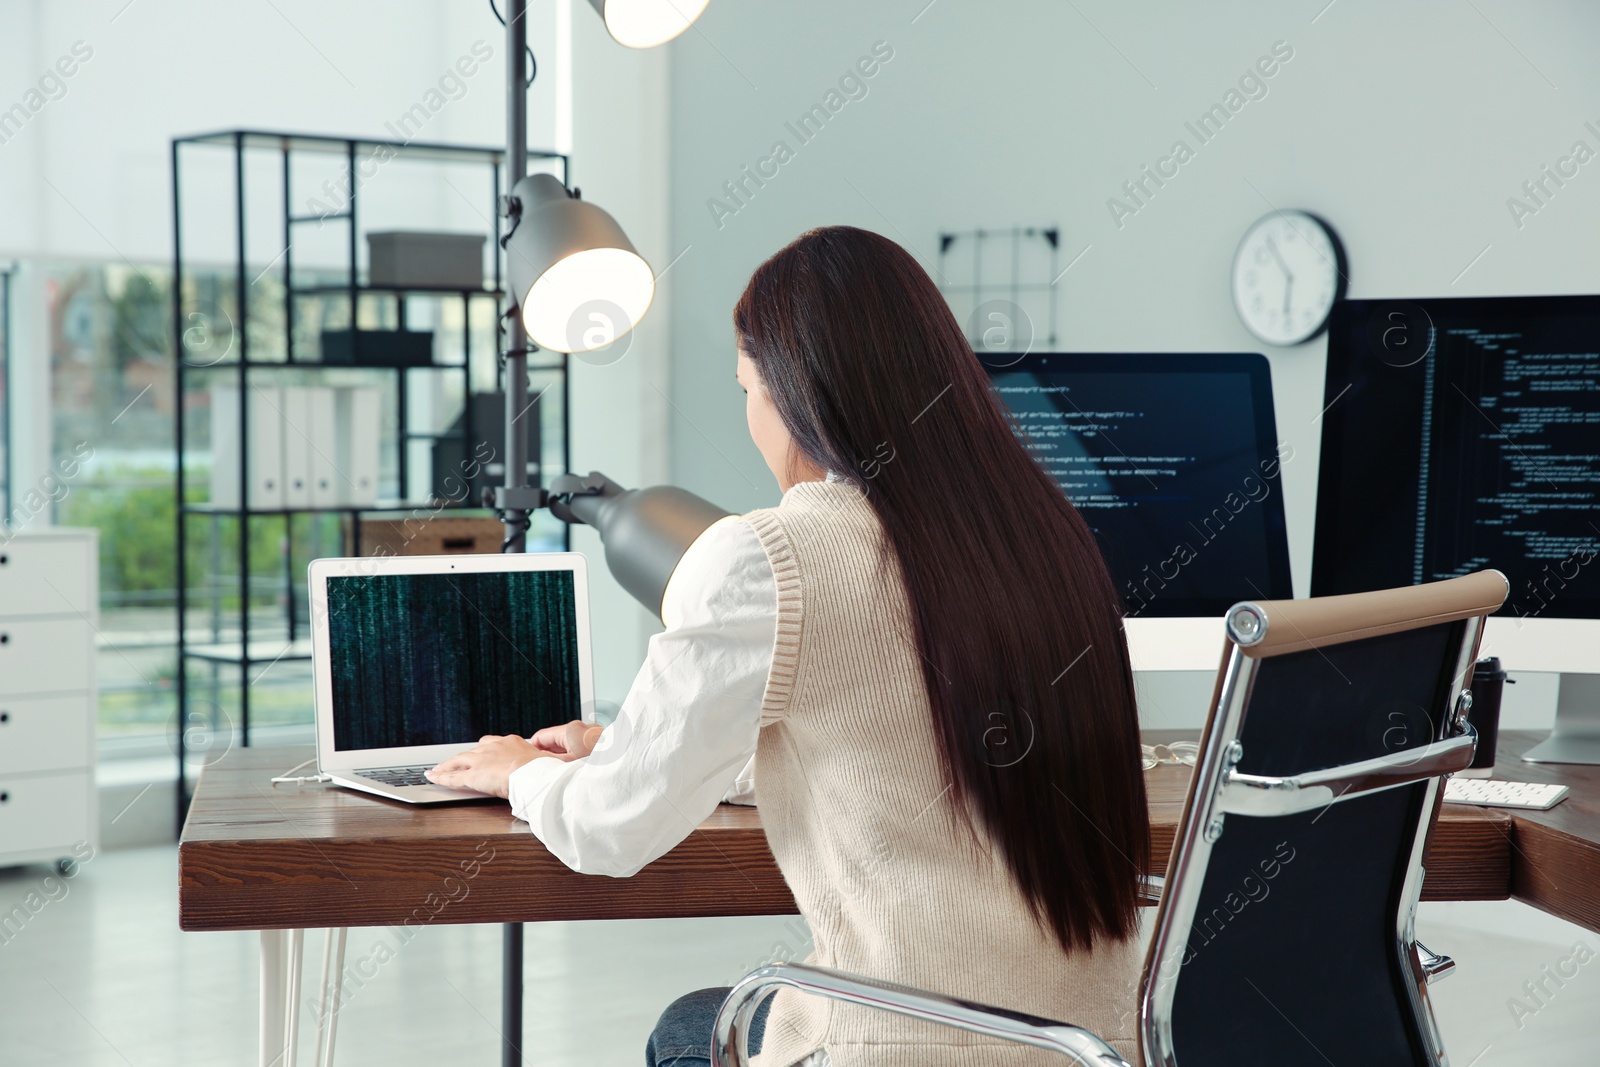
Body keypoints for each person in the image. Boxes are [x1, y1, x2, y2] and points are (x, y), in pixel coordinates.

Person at [427, 226, 1151, 1066]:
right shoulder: (1041, 535)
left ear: (793, 394)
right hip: (1088, 1045)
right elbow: (899, 734)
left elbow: (612, 828)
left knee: (689, 1029)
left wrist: (528, 773)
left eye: (746, 388)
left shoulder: (768, 557)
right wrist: (631, 744)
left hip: (903, 1043)